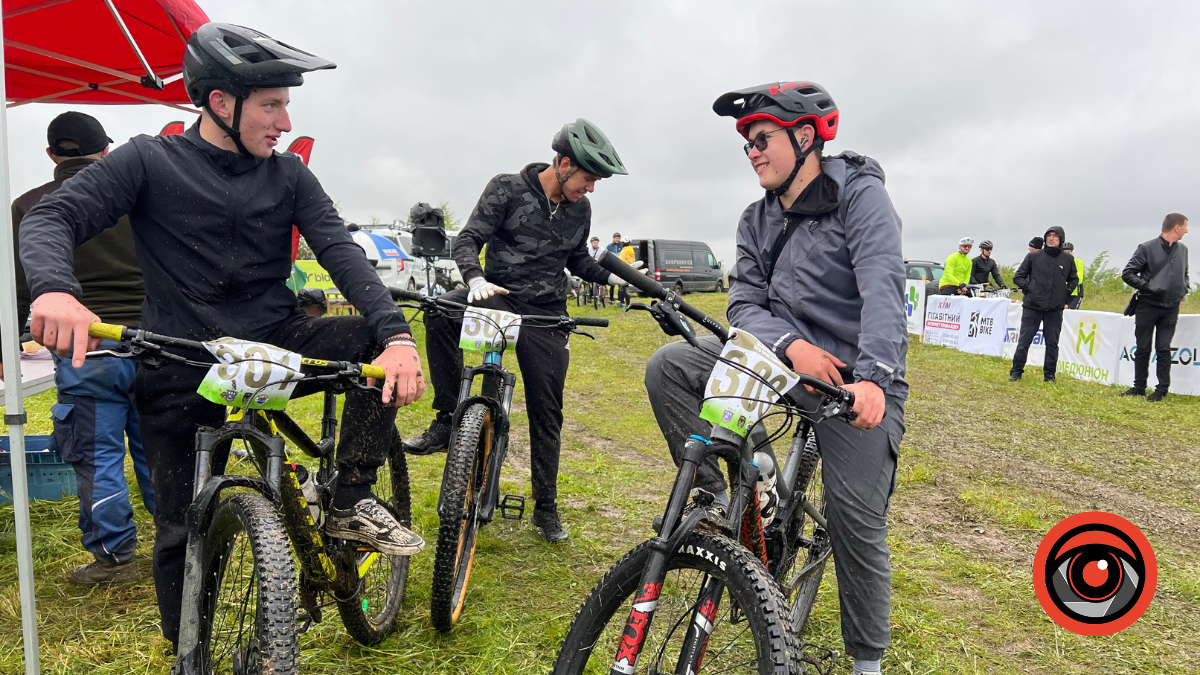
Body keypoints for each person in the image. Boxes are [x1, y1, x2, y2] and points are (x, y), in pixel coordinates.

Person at [18, 23, 425, 648]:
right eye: (272, 105)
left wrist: (397, 337)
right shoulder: (148, 159)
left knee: (373, 340)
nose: (285, 122)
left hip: (275, 338)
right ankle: (189, 653)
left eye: (286, 105)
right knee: (180, 528)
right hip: (179, 352)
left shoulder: (290, 176)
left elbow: (341, 252)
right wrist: (53, 289)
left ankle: (349, 496)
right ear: (219, 102)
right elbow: (53, 214)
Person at [646, 81, 906, 675]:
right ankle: (733, 494)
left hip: (851, 380)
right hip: (780, 363)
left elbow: (884, 288)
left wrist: (873, 379)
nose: (753, 153)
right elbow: (743, 303)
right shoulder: (756, 217)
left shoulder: (859, 196)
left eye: (762, 140)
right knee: (671, 367)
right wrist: (792, 348)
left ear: (806, 137)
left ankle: (867, 664)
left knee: (854, 523)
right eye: (748, 145)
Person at [403, 119, 631, 543]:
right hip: (499, 295)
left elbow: (577, 259)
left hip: (546, 312)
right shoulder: (506, 188)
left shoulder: (580, 209)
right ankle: (446, 419)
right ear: (564, 164)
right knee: (440, 310)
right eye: (588, 178)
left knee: (547, 409)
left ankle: (546, 508)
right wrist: (474, 278)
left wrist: (614, 278)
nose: (591, 189)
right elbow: (468, 239)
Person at [9, 112, 155, 585]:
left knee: (97, 457)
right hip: (154, 343)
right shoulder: (139, 197)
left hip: (84, 350)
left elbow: (19, 287)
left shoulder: (29, 205)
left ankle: (115, 559)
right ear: (107, 150)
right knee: (161, 449)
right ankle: (184, 540)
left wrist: (7, 342)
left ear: (52, 155)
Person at [1121, 213, 1190, 401]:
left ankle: (1162, 389)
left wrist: (1184, 288)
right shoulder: (1146, 248)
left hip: (1171, 307)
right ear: (1176, 227)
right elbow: (1127, 273)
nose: (1186, 231)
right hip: (1147, 305)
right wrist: (1149, 287)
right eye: (1185, 226)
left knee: (1164, 348)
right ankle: (1139, 387)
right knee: (1143, 347)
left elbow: (1185, 274)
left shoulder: (1183, 250)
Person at [1009, 226, 1077, 382]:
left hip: (1055, 309)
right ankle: (1016, 372)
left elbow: (1074, 279)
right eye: (1049, 235)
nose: (1051, 238)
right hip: (1032, 306)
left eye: (1055, 236)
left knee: (1052, 344)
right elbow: (1018, 277)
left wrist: (1065, 293)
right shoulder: (1033, 256)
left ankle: (1049, 376)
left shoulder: (1068, 259)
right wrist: (1029, 289)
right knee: (1024, 341)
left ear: (1061, 239)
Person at [1063, 242, 1084, 310]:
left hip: (1076, 293)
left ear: (1072, 252)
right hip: (1062, 293)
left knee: (1072, 312)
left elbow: (1079, 278)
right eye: (1065, 252)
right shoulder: (1059, 263)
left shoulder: (1078, 262)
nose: (1067, 254)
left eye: (1069, 252)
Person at [617, 238, 636, 307]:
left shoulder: (624, 251)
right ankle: (624, 303)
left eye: (622, 243)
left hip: (623, 270)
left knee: (623, 287)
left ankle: (624, 304)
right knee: (624, 287)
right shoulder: (631, 250)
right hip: (630, 270)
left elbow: (620, 261)